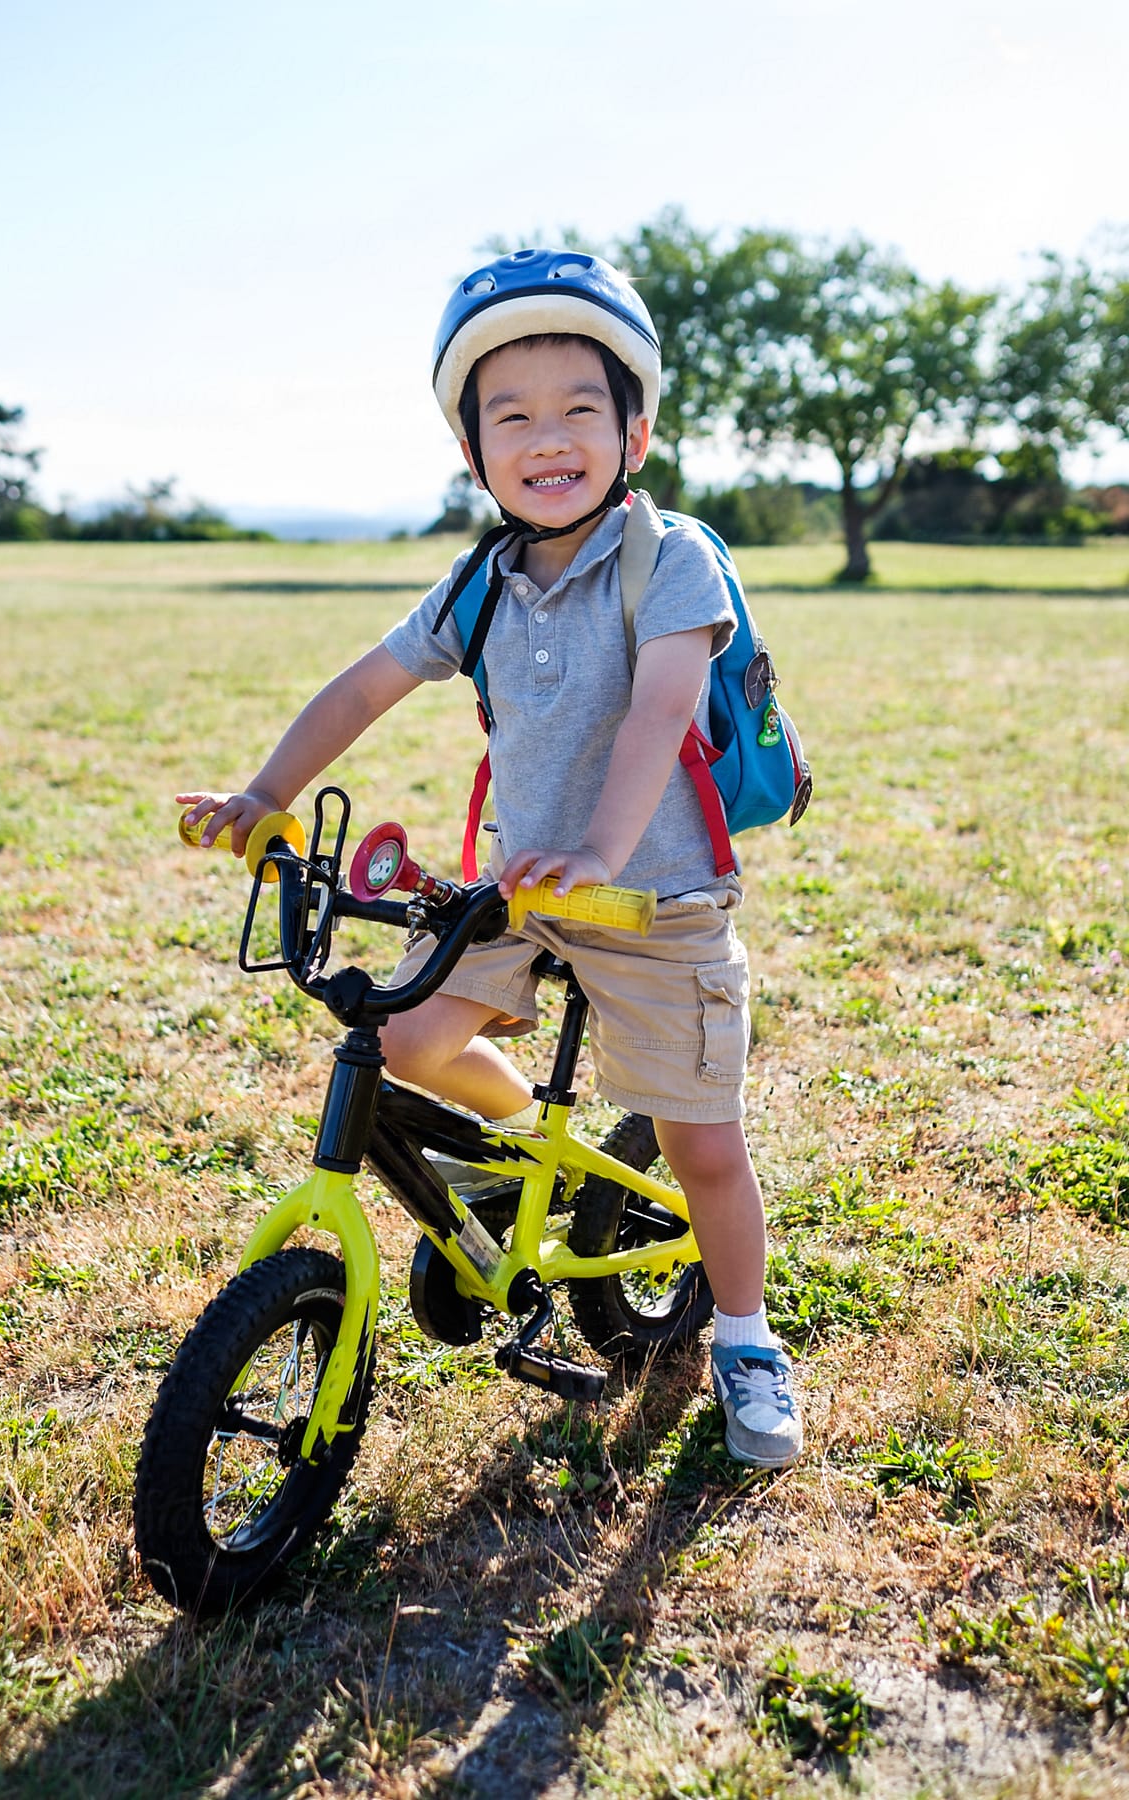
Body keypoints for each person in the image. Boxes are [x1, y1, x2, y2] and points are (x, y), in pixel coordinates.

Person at [178, 249, 803, 1469]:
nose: (547, 436)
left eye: (580, 407)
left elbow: (655, 709)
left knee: (702, 1143)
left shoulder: (672, 557)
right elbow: (366, 683)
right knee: (407, 1040)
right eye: (510, 415)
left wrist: (598, 846)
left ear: (635, 428)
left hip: (650, 894)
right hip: (522, 888)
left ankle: (744, 1338)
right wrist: (266, 791)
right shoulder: (483, 581)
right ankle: (526, 1167)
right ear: (473, 455)